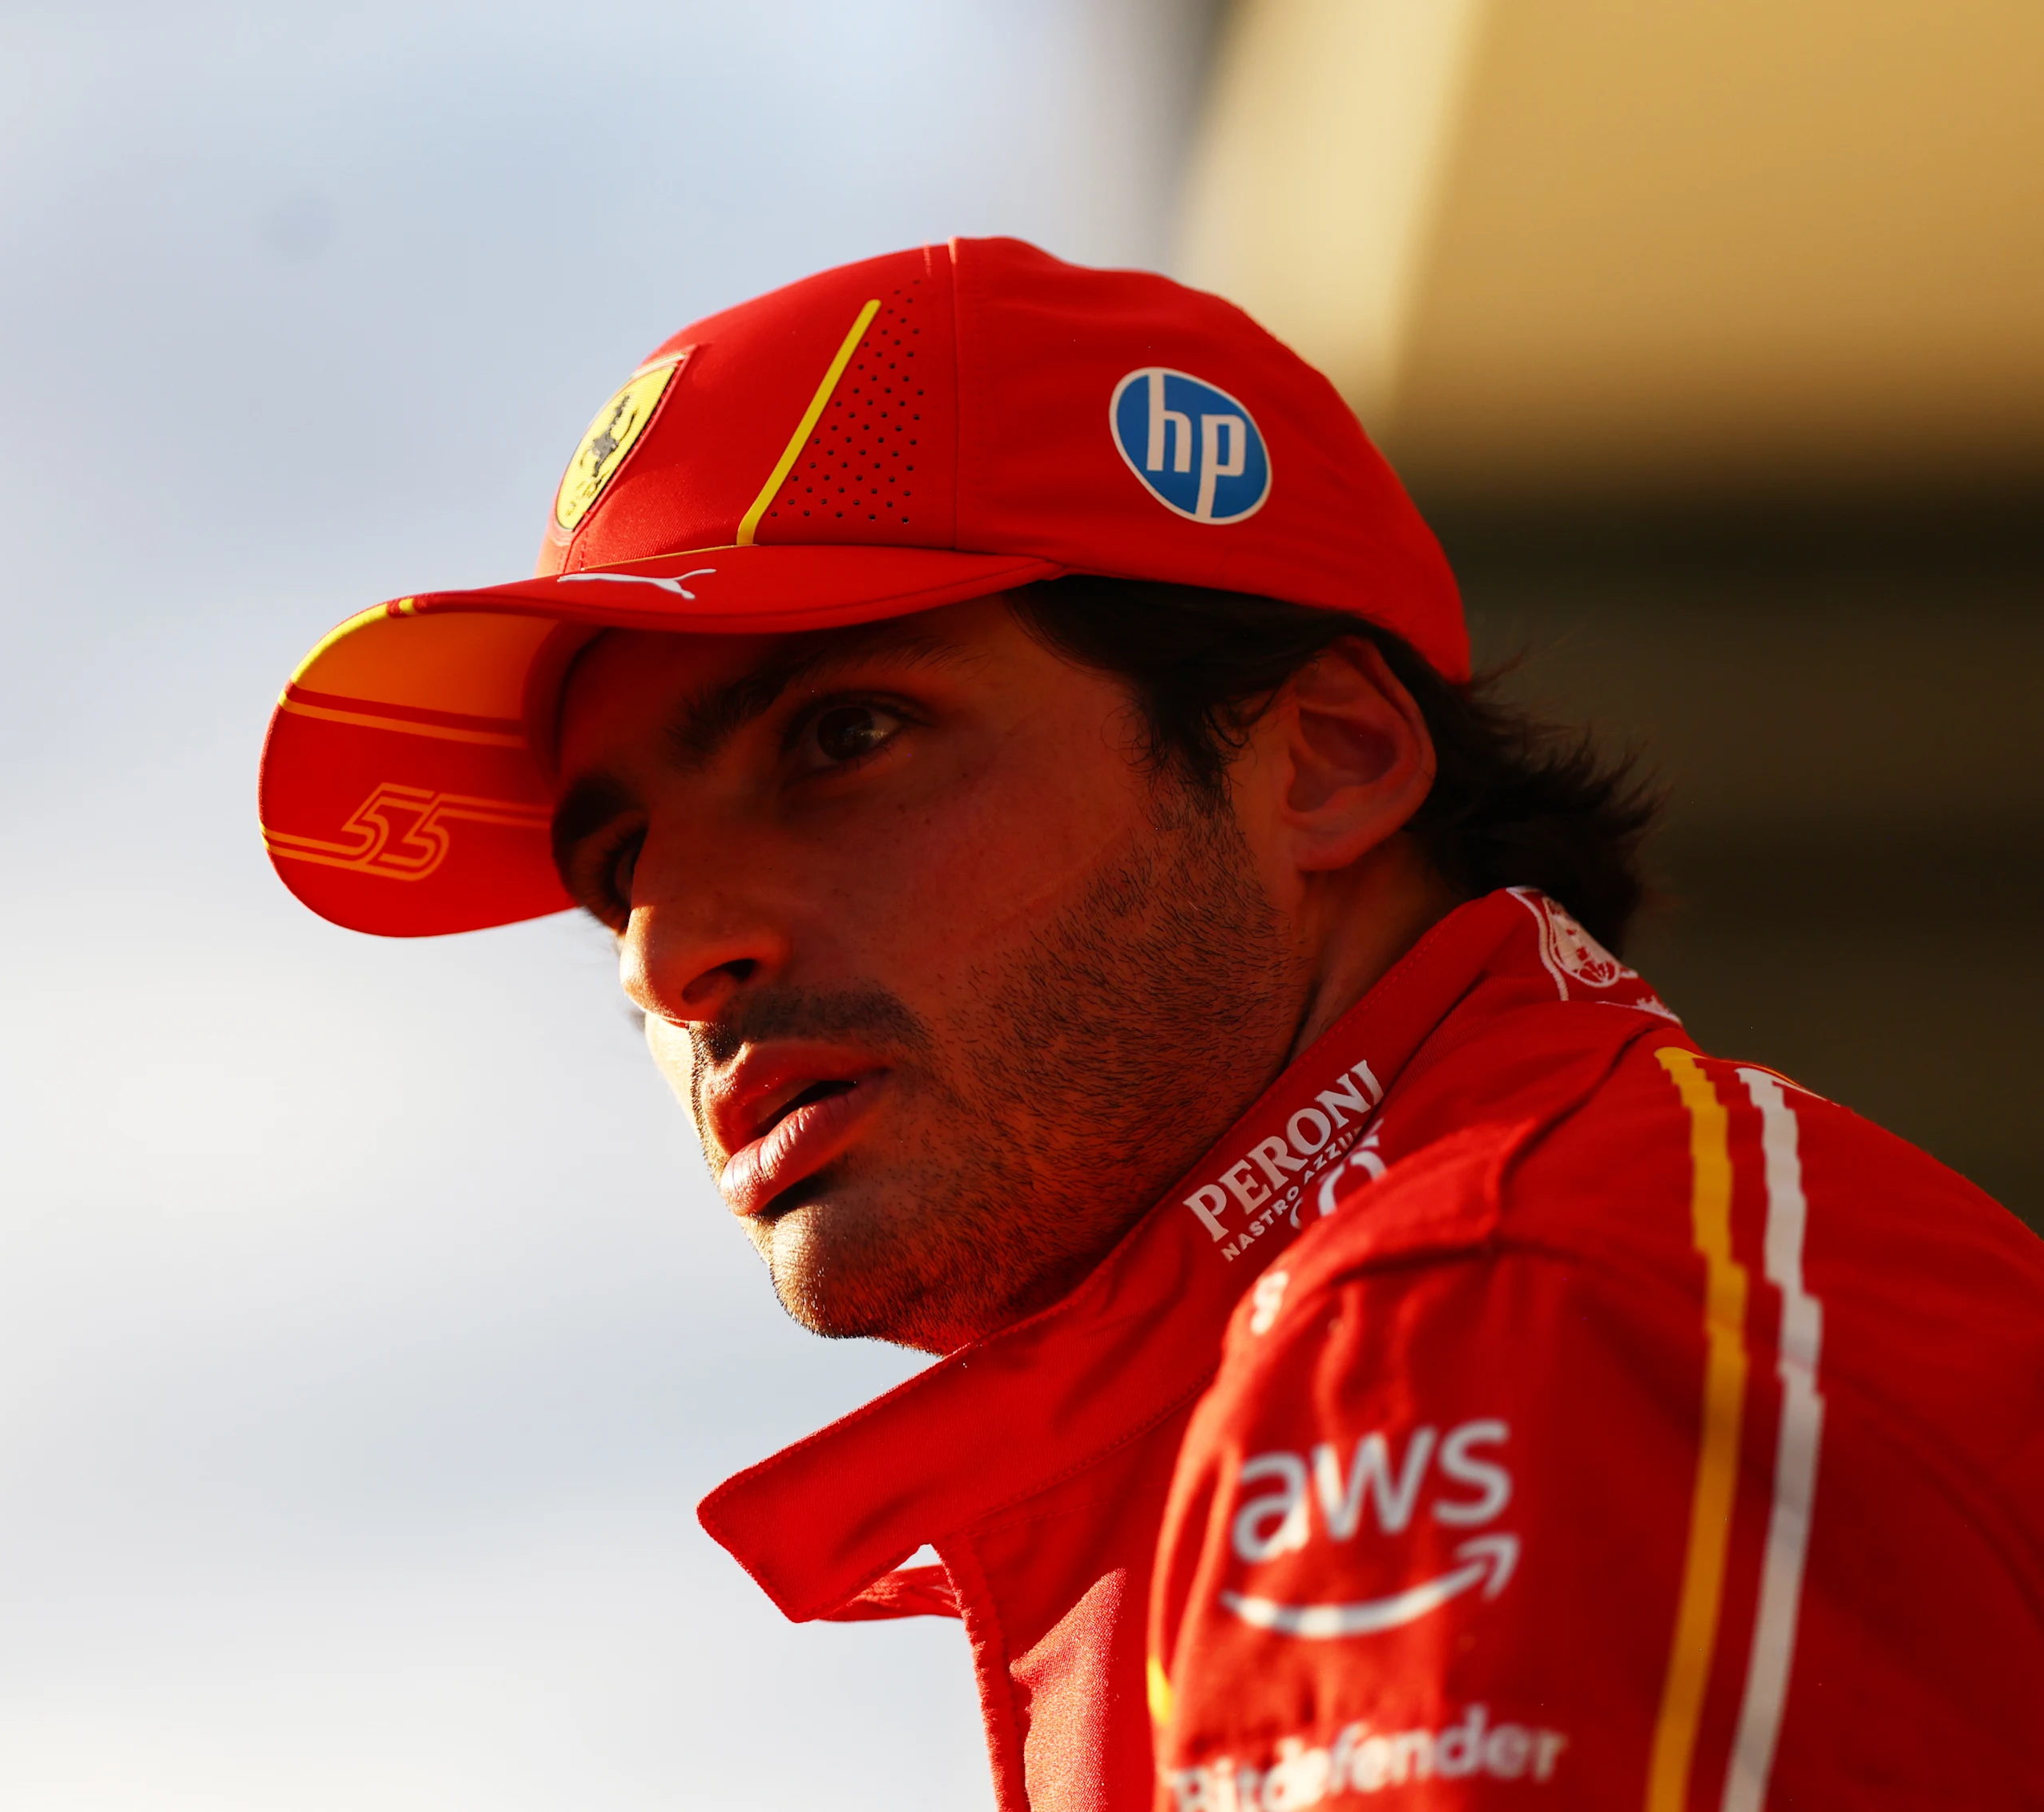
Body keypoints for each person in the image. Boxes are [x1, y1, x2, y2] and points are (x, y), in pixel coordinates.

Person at [256, 240, 2044, 1809]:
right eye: (619, 861)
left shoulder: (1472, 1320)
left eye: (843, 735)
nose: (669, 952)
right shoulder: (1411, 1322)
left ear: (1325, 759)